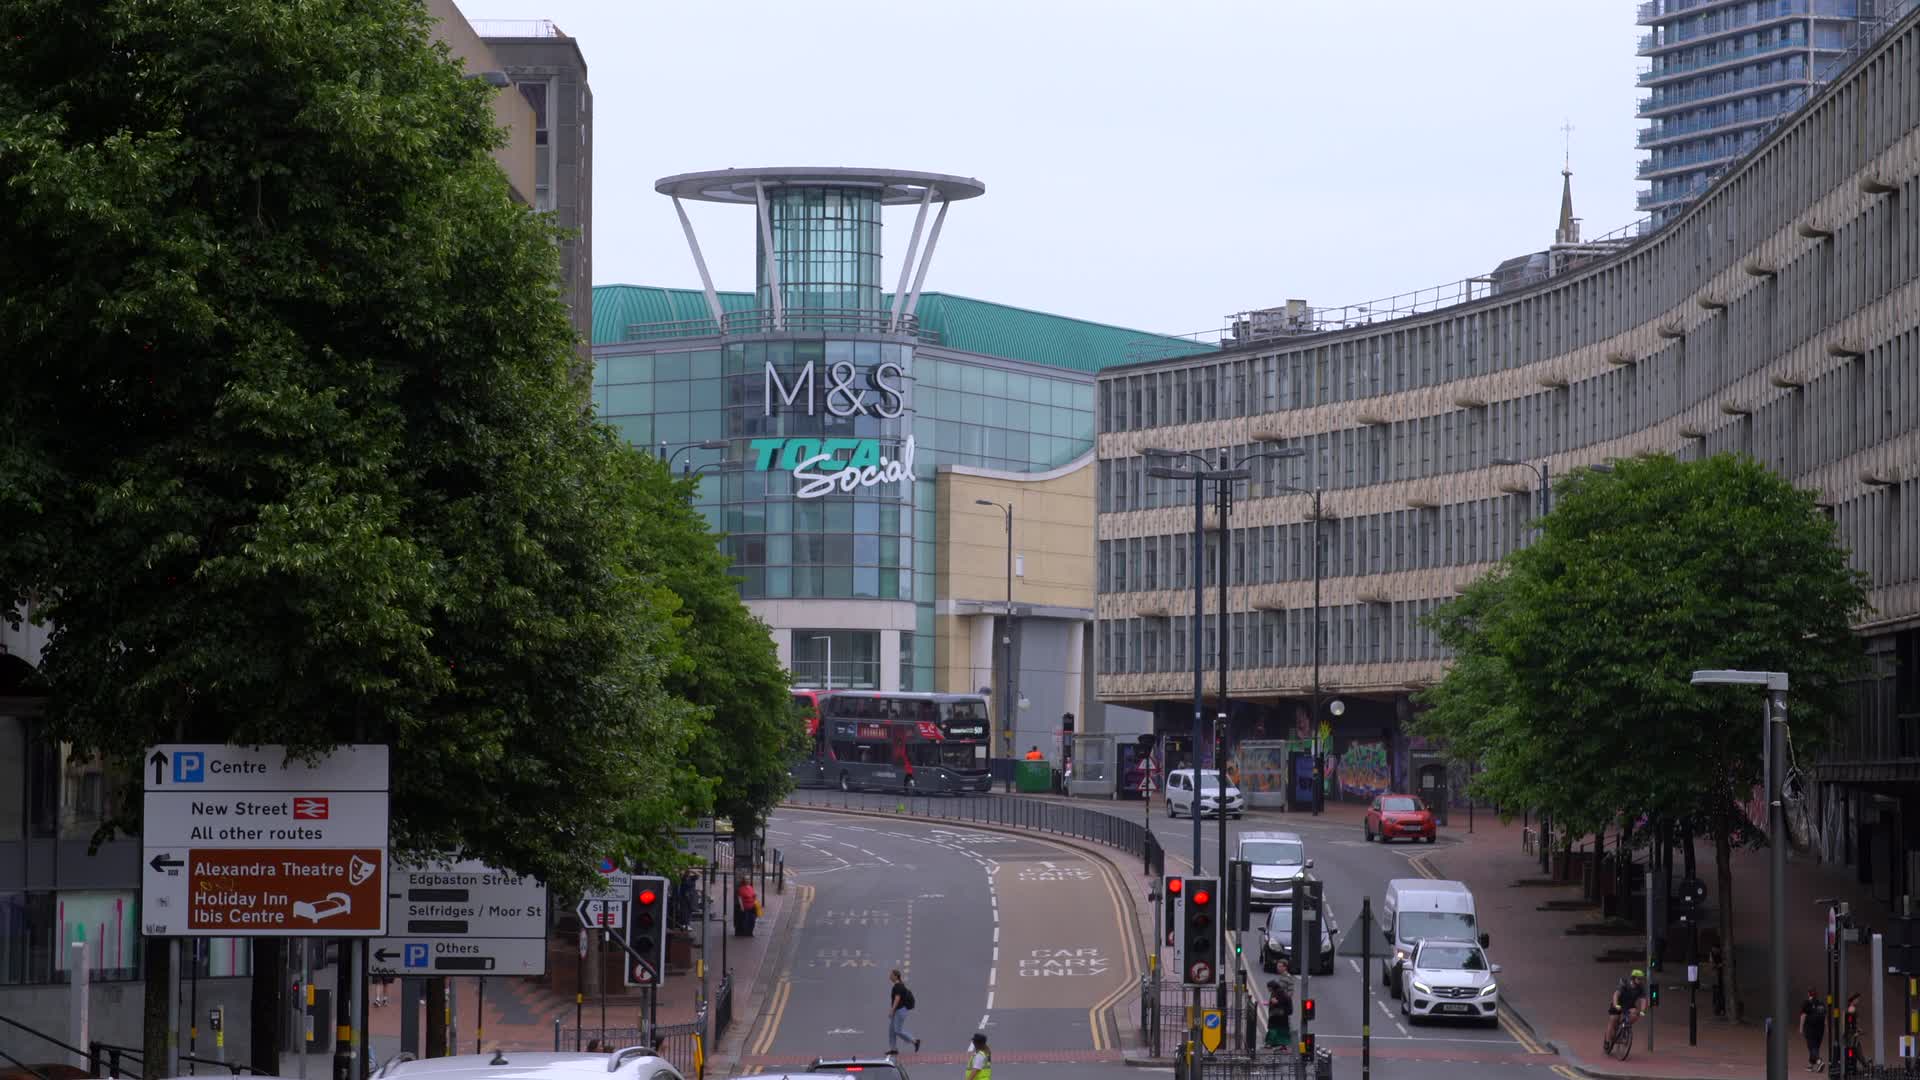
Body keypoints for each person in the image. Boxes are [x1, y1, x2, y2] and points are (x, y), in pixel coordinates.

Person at [1604, 968, 1647, 1051]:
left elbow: (1643, 1000)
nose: (1641, 981)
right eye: (1639, 979)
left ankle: (1624, 1027)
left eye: (1642, 979)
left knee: (1635, 1014)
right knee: (1614, 1019)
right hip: (1618, 1005)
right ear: (1633, 978)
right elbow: (1616, 995)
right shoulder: (1625, 984)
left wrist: (1642, 1010)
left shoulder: (1641, 988)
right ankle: (1607, 1040)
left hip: (1629, 1006)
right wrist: (1616, 1004)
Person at [887, 969, 920, 1055]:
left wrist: (892, 1010)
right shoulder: (899, 985)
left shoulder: (898, 986)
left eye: (891, 975)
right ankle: (893, 1049)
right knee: (891, 1030)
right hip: (898, 1010)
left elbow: (897, 999)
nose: (890, 976)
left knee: (898, 1030)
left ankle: (915, 1041)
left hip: (900, 1011)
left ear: (895, 976)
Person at [1800, 987, 1826, 1072]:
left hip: (1810, 1028)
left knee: (1811, 1047)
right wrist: (1826, 1028)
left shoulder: (1807, 1003)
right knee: (1816, 1047)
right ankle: (1811, 1066)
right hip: (1820, 1029)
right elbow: (1825, 1017)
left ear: (1808, 994)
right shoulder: (1821, 1004)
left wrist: (1801, 1028)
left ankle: (1819, 1061)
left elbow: (1803, 1016)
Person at [1264, 977, 1293, 1049]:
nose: (1268, 989)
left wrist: (1276, 1003)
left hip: (1277, 1016)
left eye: (1268, 988)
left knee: (1273, 1029)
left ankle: (1270, 1044)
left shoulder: (1278, 992)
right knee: (1282, 1031)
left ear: (1271, 987)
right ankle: (1283, 1045)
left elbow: (1279, 1002)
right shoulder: (1280, 991)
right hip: (1282, 1016)